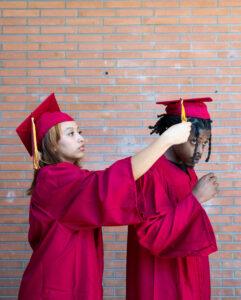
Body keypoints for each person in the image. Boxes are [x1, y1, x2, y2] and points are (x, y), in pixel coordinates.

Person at [15, 93, 192, 300]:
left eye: (79, 131)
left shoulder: (72, 178)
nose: (81, 138)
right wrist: (166, 140)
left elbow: (108, 186)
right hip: (53, 289)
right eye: (70, 134)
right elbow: (108, 185)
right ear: (52, 145)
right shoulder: (52, 179)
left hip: (75, 284)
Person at [126, 97, 218, 300]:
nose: (200, 151)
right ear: (175, 134)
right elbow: (152, 235)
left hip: (190, 272)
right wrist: (196, 198)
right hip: (162, 278)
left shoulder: (186, 169)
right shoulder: (149, 172)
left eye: (204, 142)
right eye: (194, 141)